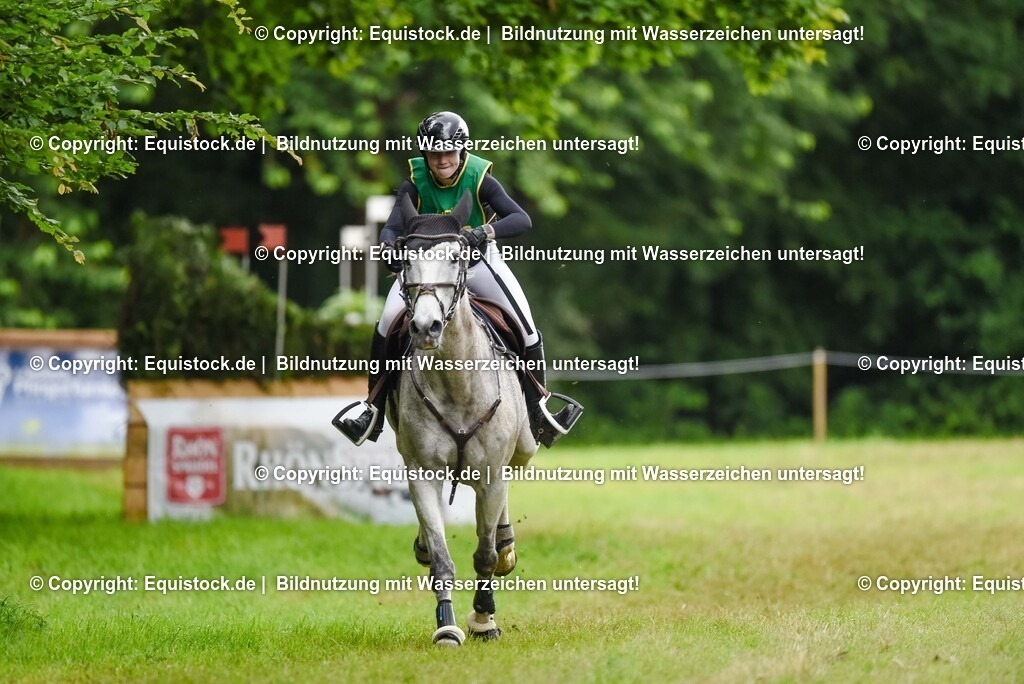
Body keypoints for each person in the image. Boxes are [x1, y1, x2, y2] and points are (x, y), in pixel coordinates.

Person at [334, 111, 582, 448]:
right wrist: (388, 247)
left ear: (462, 150)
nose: (442, 160)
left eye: (449, 152)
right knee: (387, 323)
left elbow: (521, 219)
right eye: (434, 153)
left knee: (525, 325)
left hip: (478, 261)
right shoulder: (415, 180)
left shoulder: (479, 177)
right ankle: (372, 410)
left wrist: (484, 232)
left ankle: (539, 409)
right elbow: (392, 227)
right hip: (427, 267)